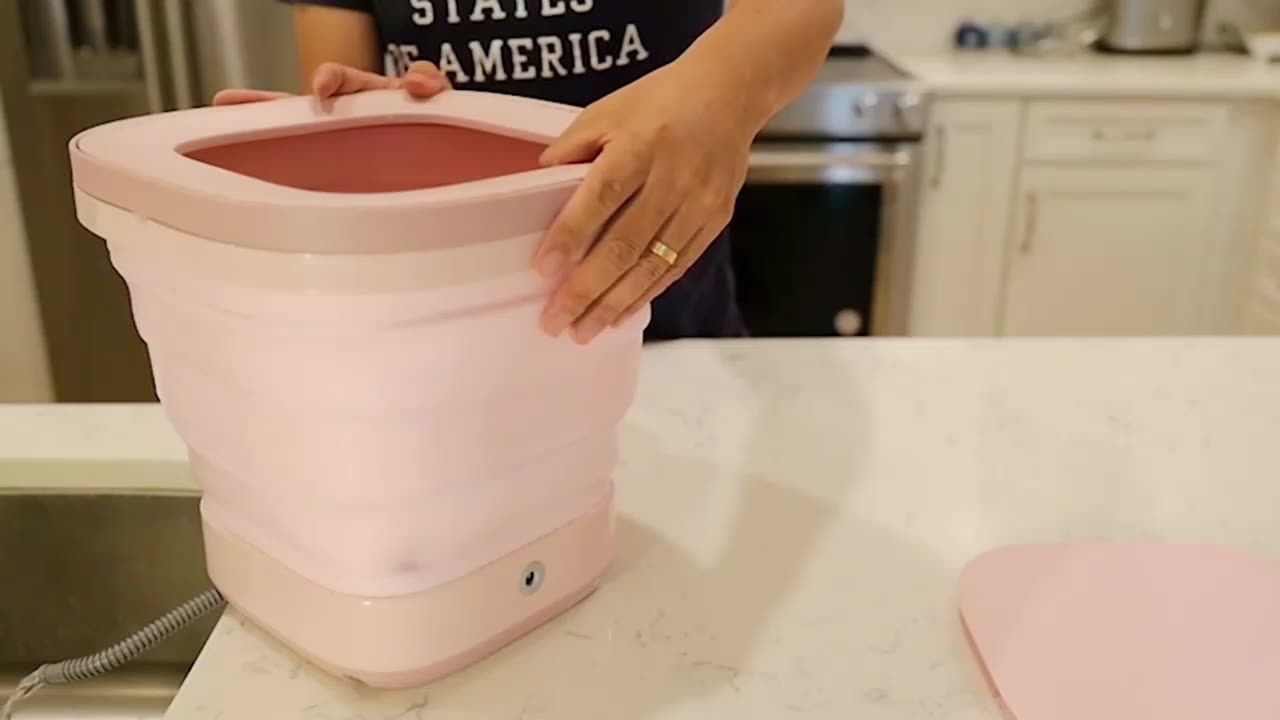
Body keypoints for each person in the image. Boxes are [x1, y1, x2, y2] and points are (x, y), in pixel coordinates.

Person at [216, 0, 843, 344]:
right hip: (451, 350)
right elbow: (339, 91)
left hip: (668, 333)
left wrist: (721, 94)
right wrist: (363, 126)